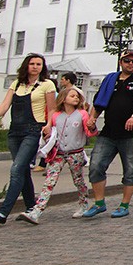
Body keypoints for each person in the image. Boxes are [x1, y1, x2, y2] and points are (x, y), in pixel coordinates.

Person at [0, 54, 58, 224]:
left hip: (33, 130)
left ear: (42, 67)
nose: (35, 67)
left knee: (16, 169)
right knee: (23, 170)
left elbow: (52, 108)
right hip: (15, 131)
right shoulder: (17, 83)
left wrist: (48, 125)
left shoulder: (47, 84)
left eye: (39, 64)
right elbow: (5, 104)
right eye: (32, 63)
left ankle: (3, 212)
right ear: (26, 66)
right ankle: (31, 207)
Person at [83, 49, 133, 218]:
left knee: (130, 170)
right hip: (109, 132)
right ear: (121, 62)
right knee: (95, 165)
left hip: (131, 133)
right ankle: (99, 202)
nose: (131, 64)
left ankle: (124, 204)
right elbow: (100, 101)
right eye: (127, 61)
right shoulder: (110, 80)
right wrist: (92, 118)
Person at [18, 86, 96, 223]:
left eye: (77, 96)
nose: (75, 98)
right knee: (49, 181)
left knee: (78, 181)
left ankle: (83, 204)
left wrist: (91, 127)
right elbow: (51, 130)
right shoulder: (56, 115)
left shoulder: (82, 114)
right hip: (58, 153)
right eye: (72, 96)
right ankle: (37, 211)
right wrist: (46, 134)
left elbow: (89, 133)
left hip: (75, 153)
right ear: (63, 98)